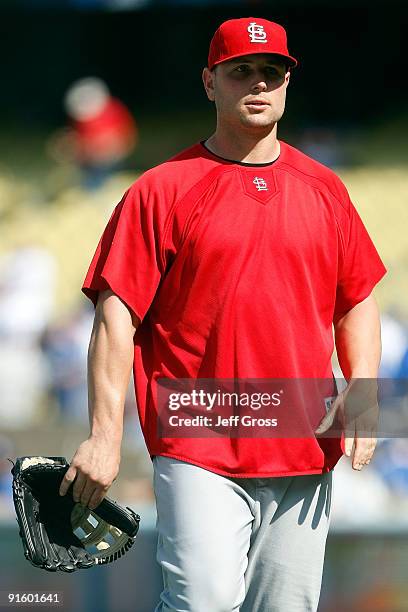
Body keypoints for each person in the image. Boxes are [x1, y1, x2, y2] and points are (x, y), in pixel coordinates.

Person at [59, 17, 387, 612]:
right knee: (202, 601)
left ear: (287, 84)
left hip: (304, 437)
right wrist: (104, 438)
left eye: (273, 72)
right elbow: (115, 320)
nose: (258, 83)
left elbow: (358, 298)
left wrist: (361, 396)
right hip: (199, 433)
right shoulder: (159, 189)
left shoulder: (326, 189)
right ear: (210, 82)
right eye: (241, 71)